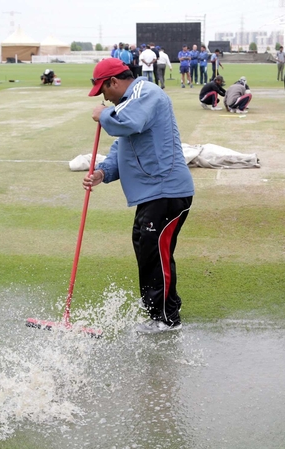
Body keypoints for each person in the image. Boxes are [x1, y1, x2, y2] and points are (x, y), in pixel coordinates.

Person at [85, 58, 194, 333]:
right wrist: (103, 173)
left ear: (114, 82)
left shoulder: (145, 93)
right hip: (152, 194)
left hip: (166, 192)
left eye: (103, 90)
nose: (103, 97)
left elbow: (127, 124)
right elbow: (123, 145)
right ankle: (157, 315)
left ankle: (166, 319)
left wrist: (103, 115)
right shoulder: (129, 103)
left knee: (156, 254)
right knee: (148, 251)